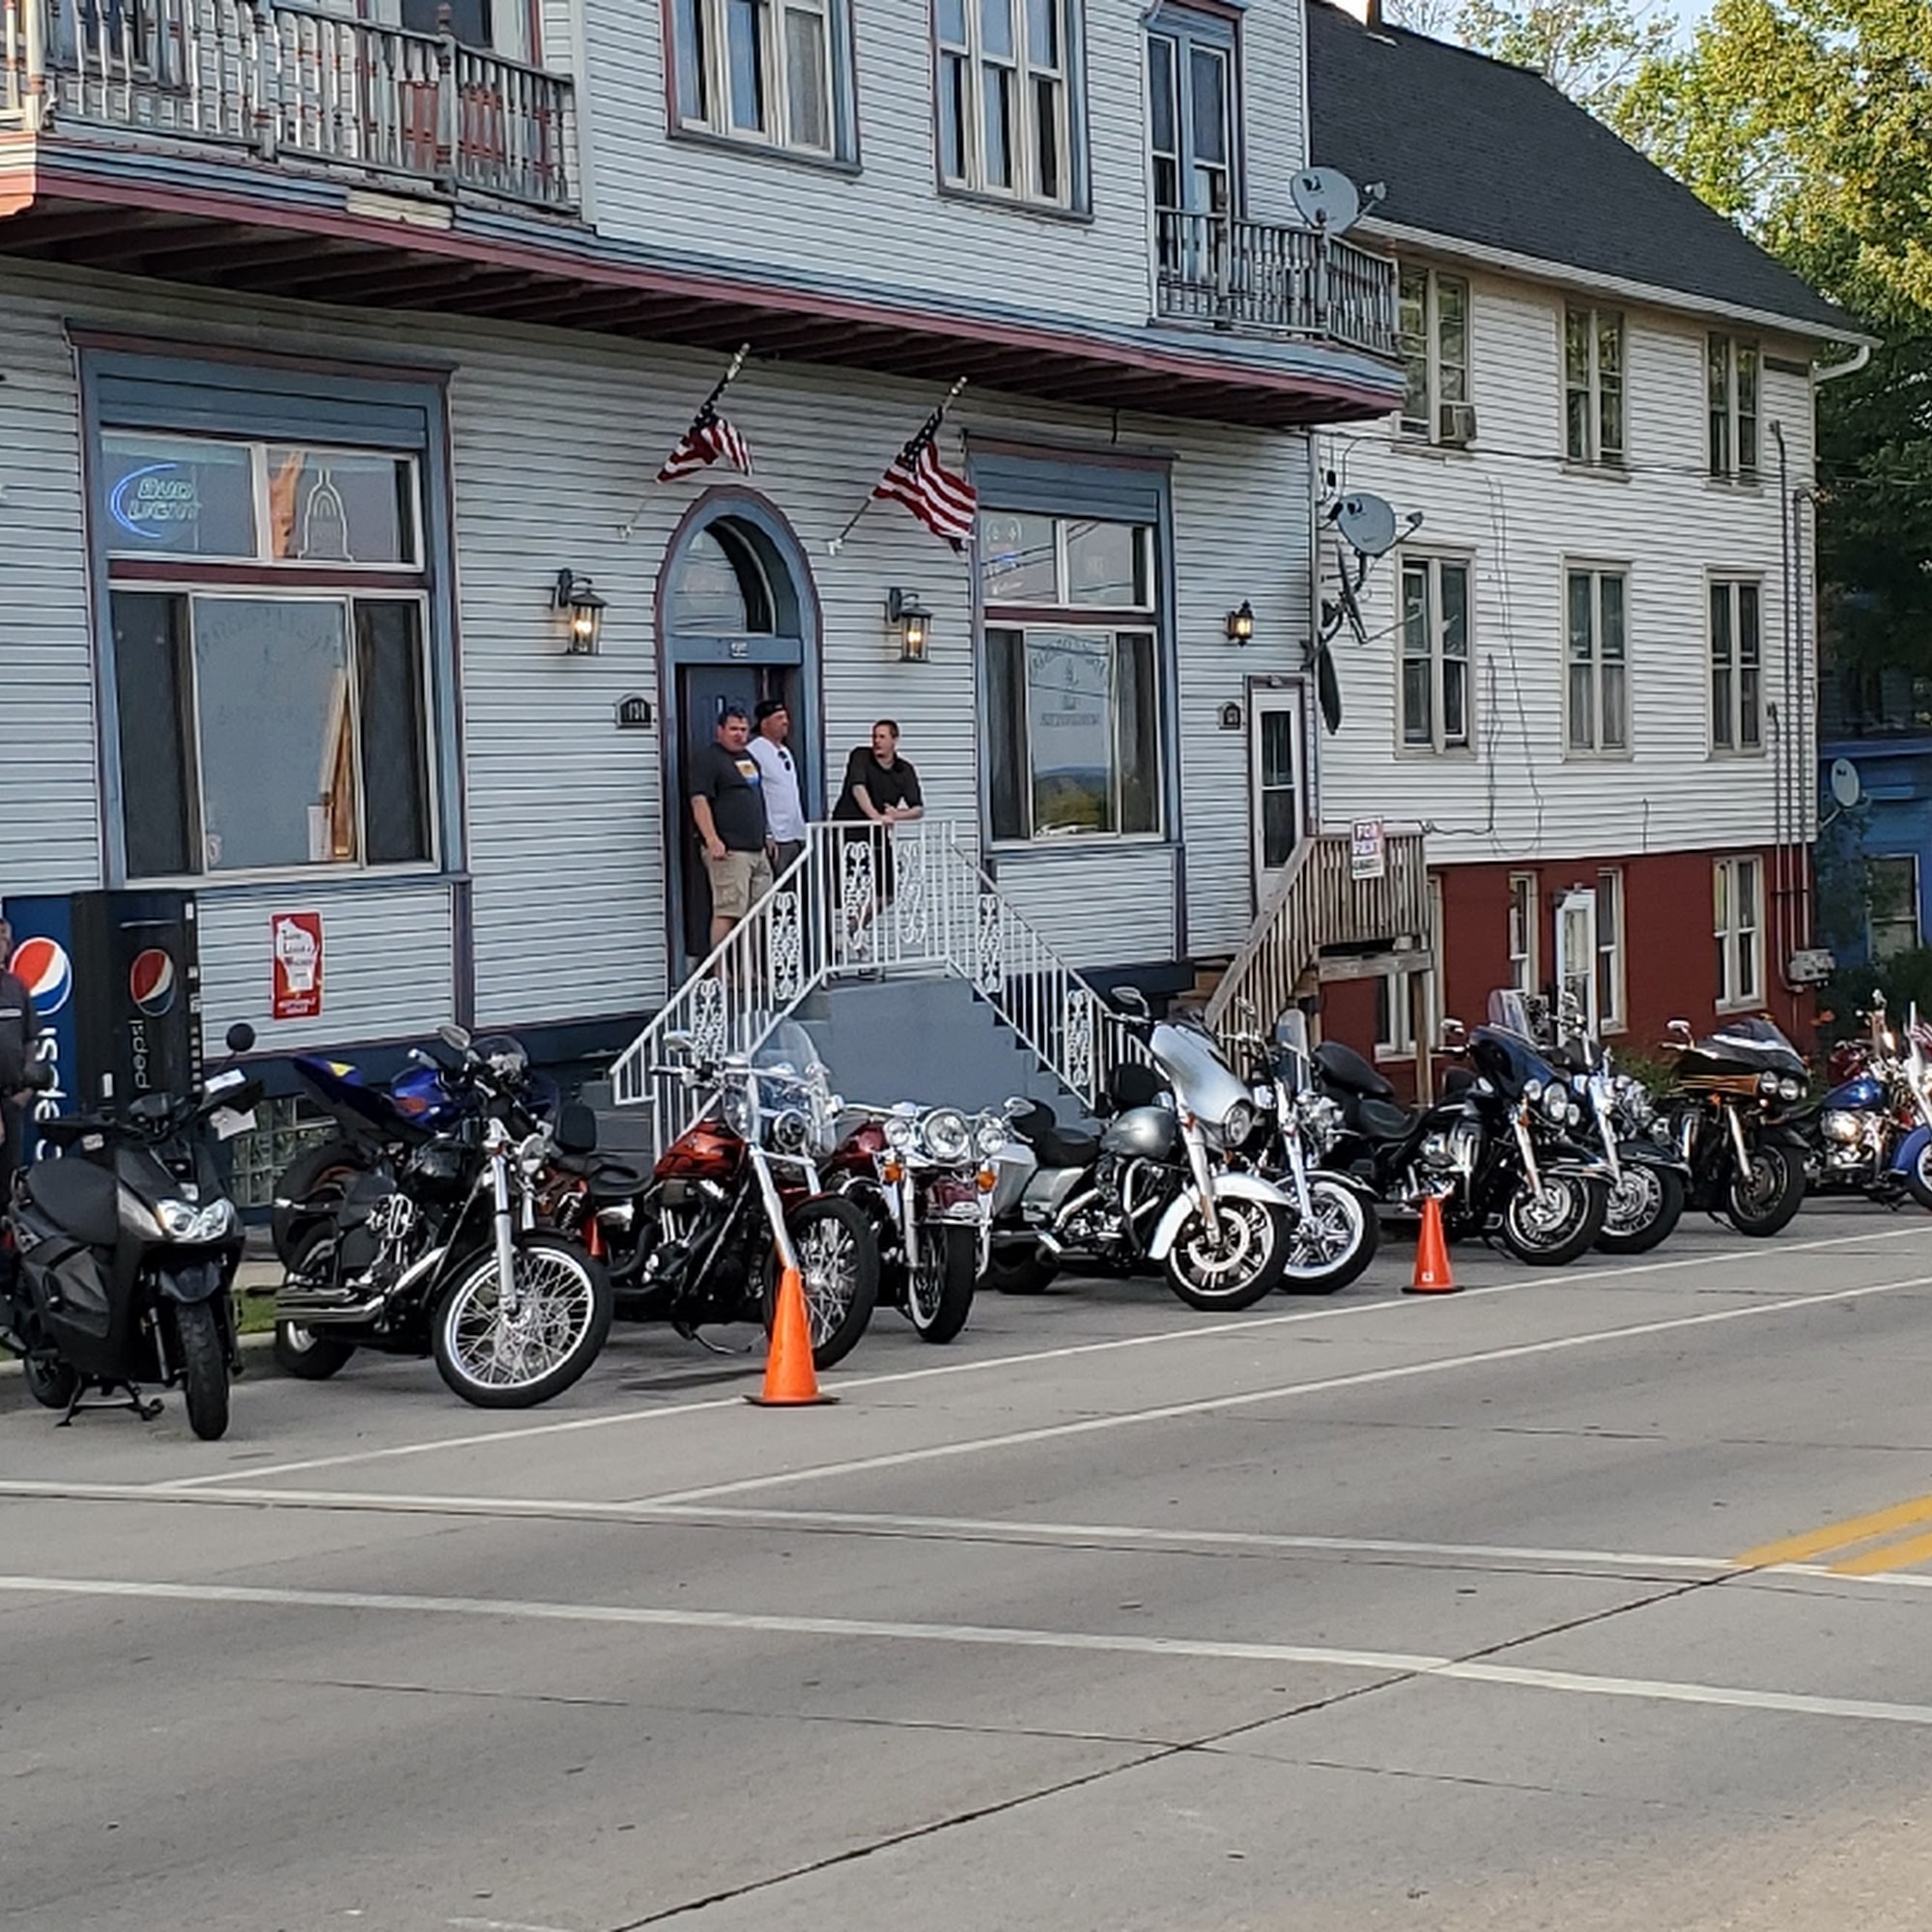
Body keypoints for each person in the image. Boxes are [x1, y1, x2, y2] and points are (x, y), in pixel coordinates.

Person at [832, 721, 923, 951]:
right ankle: (840, 941)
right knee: (848, 889)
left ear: (895, 740)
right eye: (874, 736)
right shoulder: (860, 756)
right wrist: (875, 816)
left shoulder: (904, 770)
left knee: (887, 892)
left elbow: (918, 808)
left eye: (882, 737)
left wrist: (896, 815)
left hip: (877, 835)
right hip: (848, 832)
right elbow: (857, 788)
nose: (876, 741)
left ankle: (851, 931)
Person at [689, 707, 773, 950]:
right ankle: (721, 973)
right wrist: (712, 838)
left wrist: (766, 834)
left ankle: (750, 972)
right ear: (720, 731)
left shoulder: (748, 758)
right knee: (728, 910)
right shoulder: (708, 759)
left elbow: (756, 797)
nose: (739, 735)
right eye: (733, 729)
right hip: (730, 850)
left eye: (744, 730)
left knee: (758, 912)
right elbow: (699, 800)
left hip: (756, 849)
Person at [0, 915, 40, 1205]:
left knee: (10, 1180)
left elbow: (31, 1040)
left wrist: (26, 1092)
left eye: (3, 939)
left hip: (12, 1101)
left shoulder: (17, 988)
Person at [749, 697, 809, 879]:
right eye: (779, 718)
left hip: (794, 834)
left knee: (794, 891)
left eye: (786, 717)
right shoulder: (755, 751)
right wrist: (766, 833)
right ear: (765, 723)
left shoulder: (784, 751)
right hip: (776, 836)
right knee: (777, 888)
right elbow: (756, 794)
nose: (785, 722)